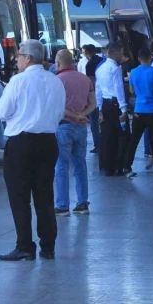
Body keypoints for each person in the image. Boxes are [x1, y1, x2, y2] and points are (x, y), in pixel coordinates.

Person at [0, 40, 65, 261]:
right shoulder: (55, 82)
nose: (16, 60)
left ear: (29, 58)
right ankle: (48, 246)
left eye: (18, 55)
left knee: (19, 196)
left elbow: (2, 111)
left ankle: (25, 245)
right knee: (45, 195)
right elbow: (59, 112)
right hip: (48, 142)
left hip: (21, 143)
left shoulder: (18, 81)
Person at [54, 50, 96, 217]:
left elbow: (56, 107)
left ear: (58, 62)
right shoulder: (85, 79)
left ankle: (63, 205)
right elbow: (93, 102)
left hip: (63, 127)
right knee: (80, 165)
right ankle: (82, 203)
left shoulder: (57, 81)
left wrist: (73, 115)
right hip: (81, 128)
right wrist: (82, 114)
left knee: (61, 166)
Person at [123, 46, 153, 178]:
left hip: (139, 110)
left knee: (134, 140)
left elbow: (132, 91)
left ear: (139, 59)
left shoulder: (133, 72)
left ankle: (127, 167)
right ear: (150, 58)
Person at [96, 43, 128, 176]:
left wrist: (99, 108)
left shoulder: (100, 68)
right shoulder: (115, 68)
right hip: (115, 105)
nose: (122, 56)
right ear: (115, 53)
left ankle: (106, 165)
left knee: (106, 136)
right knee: (121, 136)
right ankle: (118, 165)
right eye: (121, 53)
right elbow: (118, 88)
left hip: (105, 104)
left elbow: (97, 89)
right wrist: (124, 109)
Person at [83, 44, 103, 154]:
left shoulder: (89, 64)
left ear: (86, 52)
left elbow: (91, 82)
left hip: (95, 95)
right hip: (105, 94)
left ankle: (97, 144)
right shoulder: (102, 60)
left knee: (94, 121)